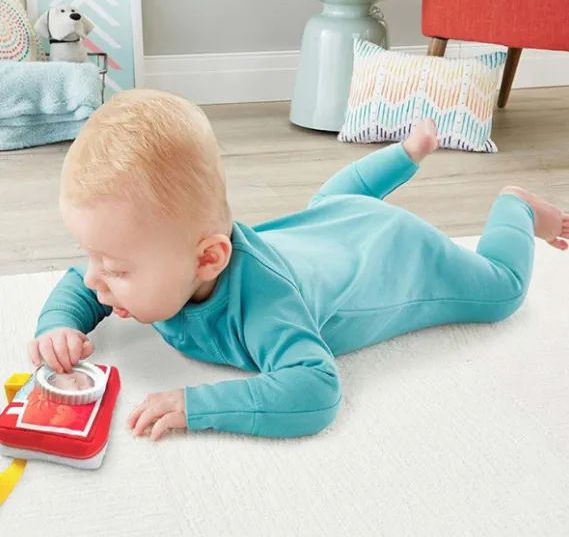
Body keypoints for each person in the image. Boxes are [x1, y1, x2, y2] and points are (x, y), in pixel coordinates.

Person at [27, 89, 569, 441]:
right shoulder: (143, 262)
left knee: (502, 293)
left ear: (208, 259)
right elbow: (80, 285)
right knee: (330, 206)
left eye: (117, 270)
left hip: (395, 248)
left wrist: (197, 405)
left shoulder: (267, 309)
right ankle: (405, 152)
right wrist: (58, 324)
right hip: (327, 226)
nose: (94, 280)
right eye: (91, 256)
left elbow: (316, 388)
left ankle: (516, 207)